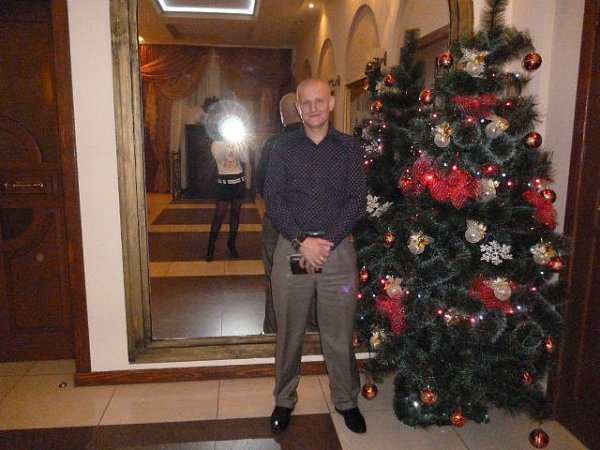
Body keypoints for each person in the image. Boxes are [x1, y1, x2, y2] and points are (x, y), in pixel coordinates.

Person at [264, 78, 367, 434]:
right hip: (293, 250)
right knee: (289, 331)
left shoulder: (348, 147)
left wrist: (327, 241)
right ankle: (284, 399)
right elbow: (273, 197)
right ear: (298, 108)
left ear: (331, 103)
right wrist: (302, 241)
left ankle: (346, 400)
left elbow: (356, 199)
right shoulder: (283, 147)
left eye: (319, 101)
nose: (313, 108)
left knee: (339, 331)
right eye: (306, 103)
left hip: (337, 254)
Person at [256, 93, 317, 334]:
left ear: (282, 116)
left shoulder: (273, 144)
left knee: (274, 275)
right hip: (309, 224)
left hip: (276, 223)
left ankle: (274, 330)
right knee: (306, 275)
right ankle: (309, 330)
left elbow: (261, 185)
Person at [206, 137, 249, 261]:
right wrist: (226, 143)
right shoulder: (216, 143)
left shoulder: (239, 141)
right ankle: (210, 247)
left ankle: (232, 244)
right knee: (219, 215)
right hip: (223, 183)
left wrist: (239, 143)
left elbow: (245, 159)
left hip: (238, 182)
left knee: (235, 215)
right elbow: (219, 158)